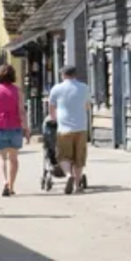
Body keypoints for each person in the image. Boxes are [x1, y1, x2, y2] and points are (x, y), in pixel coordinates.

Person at [0, 64, 31, 197]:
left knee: (0, 156)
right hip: (15, 126)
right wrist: (26, 128)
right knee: (13, 158)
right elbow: (22, 111)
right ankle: (11, 186)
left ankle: (4, 181)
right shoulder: (18, 91)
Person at [48, 65, 91, 194]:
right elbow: (87, 106)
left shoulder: (57, 89)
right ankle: (77, 185)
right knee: (79, 158)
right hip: (81, 127)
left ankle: (68, 175)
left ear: (63, 75)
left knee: (63, 156)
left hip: (64, 128)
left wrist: (54, 119)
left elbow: (51, 107)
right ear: (75, 74)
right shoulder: (84, 88)